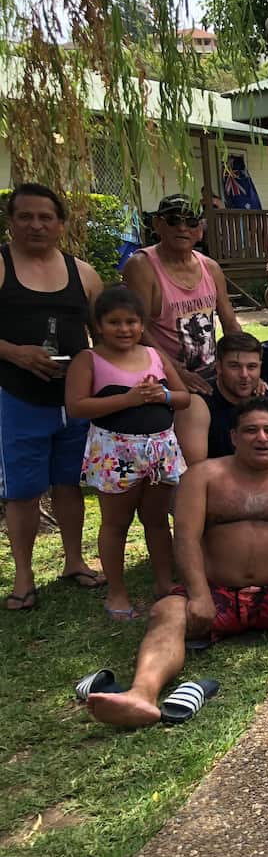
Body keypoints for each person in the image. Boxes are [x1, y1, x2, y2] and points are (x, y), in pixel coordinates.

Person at [86, 398, 268, 727]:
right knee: (166, 611)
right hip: (217, 593)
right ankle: (141, 693)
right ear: (234, 437)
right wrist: (198, 594)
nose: (262, 438)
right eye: (251, 430)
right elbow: (186, 538)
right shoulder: (203, 476)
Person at [0, 183, 106, 611]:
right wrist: (15, 354)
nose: (35, 225)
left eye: (45, 217)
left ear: (60, 224)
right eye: (25, 216)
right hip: (15, 396)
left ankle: (74, 560)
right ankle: (23, 576)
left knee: (68, 483)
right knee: (23, 491)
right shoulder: (3, 265)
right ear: (11, 222)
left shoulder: (83, 273)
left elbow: (106, 334)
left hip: (72, 398)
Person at [64, 286, 189, 619]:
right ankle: (117, 592)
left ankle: (164, 583)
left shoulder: (154, 355)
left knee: (158, 520)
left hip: (160, 449)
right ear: (99, 325)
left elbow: (183, 397)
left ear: (142, 324)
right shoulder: (88, 360)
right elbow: (76, 406)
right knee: (116, 524)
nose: (124, 329)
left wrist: (160, 395)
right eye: (114, 322)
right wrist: (128, 399)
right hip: (115, 452)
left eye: (131, 322)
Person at [124, 194, 240, 395]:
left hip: (210, 372)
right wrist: (175, 372)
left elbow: (230, 324)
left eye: (191, 221)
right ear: (158, 224)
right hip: (161, 377)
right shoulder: (142, 266)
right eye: (174, 220)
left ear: (200, 230)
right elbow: (138, 330)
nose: (182, 228)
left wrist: (243, 365)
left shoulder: (211, 268)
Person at [174, 331, 268, 465]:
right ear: (219, 367)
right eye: (235, 366)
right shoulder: (198, 404)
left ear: (260, 367)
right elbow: (196, 468)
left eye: (251, 367)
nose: (244, 374)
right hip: (215, 483)